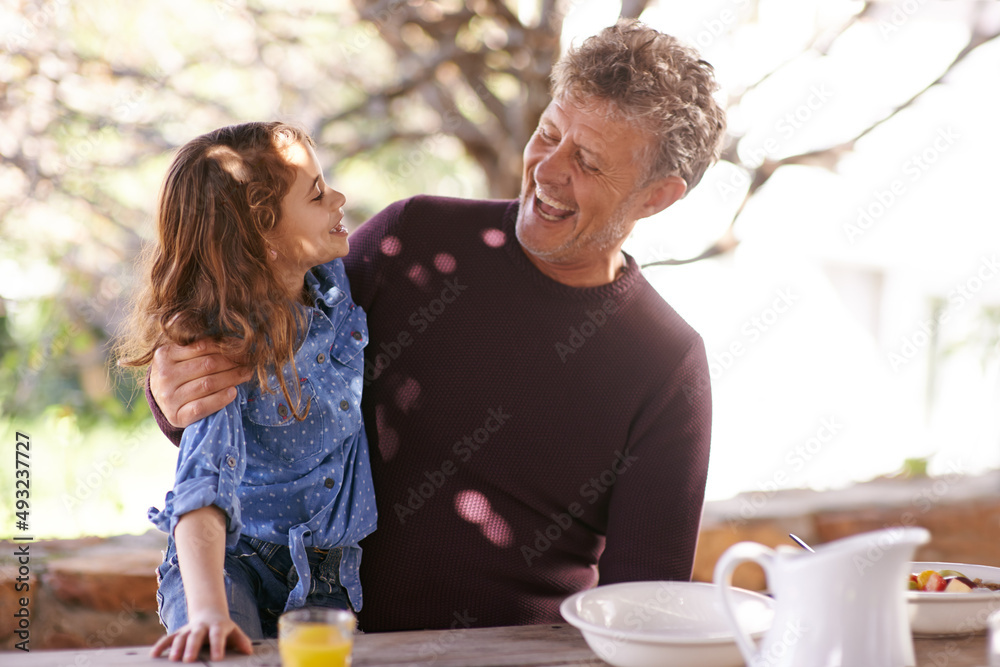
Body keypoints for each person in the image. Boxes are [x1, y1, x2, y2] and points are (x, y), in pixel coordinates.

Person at [146, 20, 725, 632]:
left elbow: (642, 614)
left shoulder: (668, 367)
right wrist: (176, 390)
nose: (548, 171)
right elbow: (257, 348)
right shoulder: (410, 241)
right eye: (548, 134)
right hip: (330, 642)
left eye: (587, 161)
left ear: (657, 196)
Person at [117, 122, 377, 660]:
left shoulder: (333, 287)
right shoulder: (221, 352)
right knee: (219, 649)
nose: (340, 199)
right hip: (228, 565)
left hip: (327, 574)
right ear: (261, 234)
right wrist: (209, 608)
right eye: (317, 194)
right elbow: (201, 493)